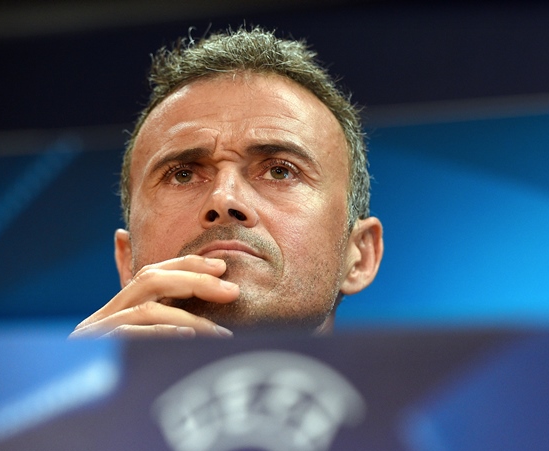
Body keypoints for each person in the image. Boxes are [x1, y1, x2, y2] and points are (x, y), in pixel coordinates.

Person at [70, 26, 383, 339]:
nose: (223, 199)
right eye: (183, 175)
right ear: (128, 259)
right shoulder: (54, 386)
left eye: (280, 171)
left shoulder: (431, 388)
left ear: (359, 255)